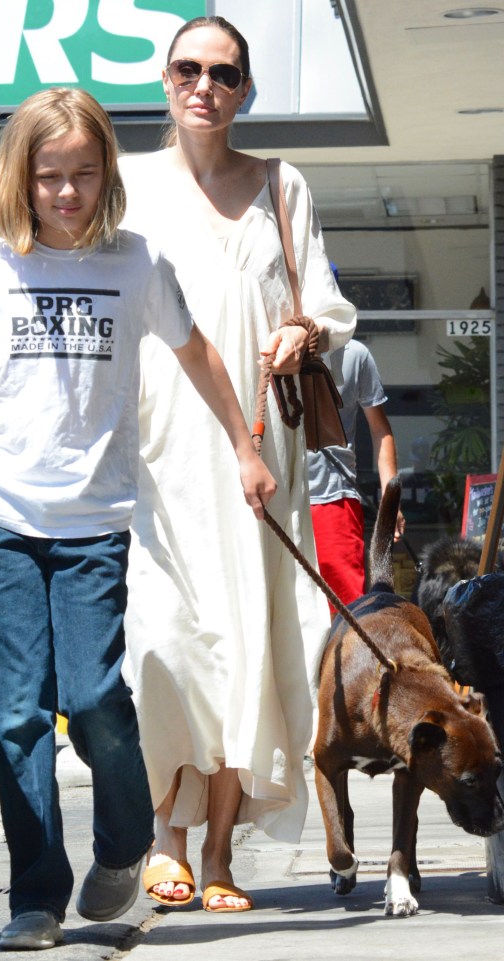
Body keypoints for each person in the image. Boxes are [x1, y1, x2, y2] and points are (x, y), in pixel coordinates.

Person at [0, 87, 277, 950]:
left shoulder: (135, 263)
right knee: (19, 712)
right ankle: (35, 894)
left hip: (93, 518)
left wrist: (245, 450)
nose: (65, 193)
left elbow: (199, 353)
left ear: (106, 172)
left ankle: (124, 841)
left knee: (97, 696)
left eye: (82, 174)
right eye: (48, 177)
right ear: (22, 180)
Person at [118, 16, 356, 913]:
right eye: (189, 68)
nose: (204, 86)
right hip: (156, 454)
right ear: (166, 78)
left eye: (224, 73)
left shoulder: (280, 184)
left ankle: (217, 850)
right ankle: (161, 837)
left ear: (245, 90)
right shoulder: (129, 186)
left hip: (258, 453)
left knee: (248, 649)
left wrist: (304, 327)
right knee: (164, 643)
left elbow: (323, 297)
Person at [308, 338, 405, 608]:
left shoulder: (354, 353)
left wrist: (391, 499)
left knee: (345, 606)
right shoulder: (265, 345)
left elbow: (380, 429)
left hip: (335, 496)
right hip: (276, 495)